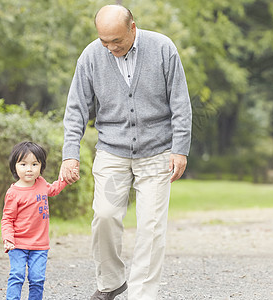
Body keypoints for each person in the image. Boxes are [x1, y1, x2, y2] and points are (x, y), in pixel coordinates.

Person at [59, 4, 192, 300]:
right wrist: (70, 153)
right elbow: (76, 108)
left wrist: (180, 148)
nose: (110, 47)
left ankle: (142, 294)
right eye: (104, 41)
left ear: (133, 27)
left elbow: (180, 103)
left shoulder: (162, 48)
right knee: (104, 217)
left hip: (157, 152)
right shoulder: (92, 55)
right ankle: (111, 281)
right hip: (112, 151)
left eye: (116, 41)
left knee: (151, 227)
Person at [1, 141, 73, 300]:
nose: (29, 169)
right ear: (15, 167)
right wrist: (8, 239)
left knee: (37, 279)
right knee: (17, 276)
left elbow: (53, 190)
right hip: (17, 244)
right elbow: (7, 219)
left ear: (41, 166)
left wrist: (65, 179)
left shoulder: (41, 183)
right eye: (23, 164)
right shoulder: (13, 193)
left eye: (34, 164)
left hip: (40, 245)